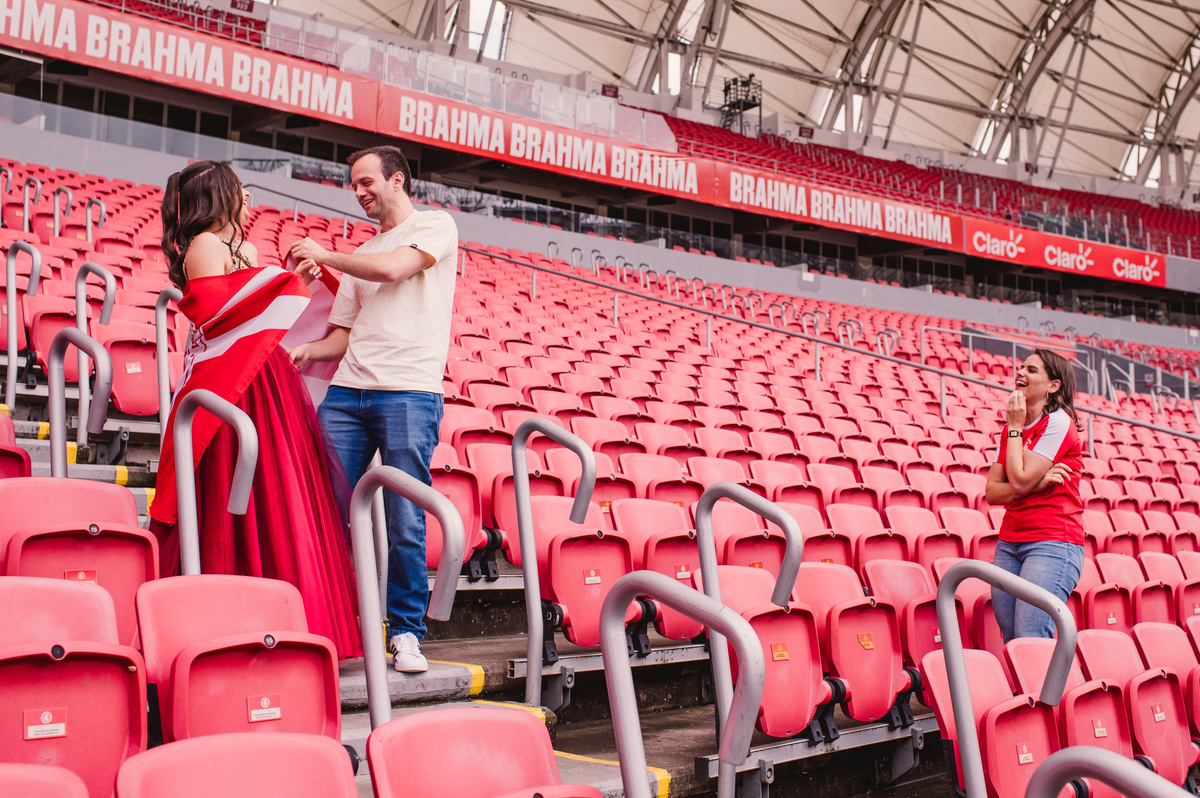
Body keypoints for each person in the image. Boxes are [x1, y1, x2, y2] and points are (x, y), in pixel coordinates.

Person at [149, 160, 361, 659]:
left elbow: (256, 309)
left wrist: (289, 281)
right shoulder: (204, 243)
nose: (247, 195)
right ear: (219, 195)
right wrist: (282, 284)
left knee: (279, 490)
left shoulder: (241, 246)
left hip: (265, 377)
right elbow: (217, 314)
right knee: (238, 489)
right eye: (238, 188)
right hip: (236, 381)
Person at [288, 145, 457, 673]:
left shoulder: (435, 226)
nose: (359, 192)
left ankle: (406, 632)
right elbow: (343, 334)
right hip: (348, 392)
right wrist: (305, 352)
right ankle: (329, 621)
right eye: (353, 184)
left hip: (409, 391)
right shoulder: (363, 254)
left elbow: (392, 271)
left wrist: (327, 255)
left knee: (404, 516)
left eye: (367, 182)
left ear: (398, 180)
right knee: (323, 508)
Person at [985, 348, 1085, 642]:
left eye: (1031, 370)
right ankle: (1025, 691)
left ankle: (1043, 690)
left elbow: (1017, 482)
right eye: (1020, 368)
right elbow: (992, 492)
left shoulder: (1057, 422)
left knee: (1030, 636)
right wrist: (1036, 484)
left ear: (1053, 386)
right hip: (1010, 542)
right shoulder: (1008, 432)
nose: (1020, 373)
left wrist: (1016, 428)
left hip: (1052, 542)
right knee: (1012, 637)